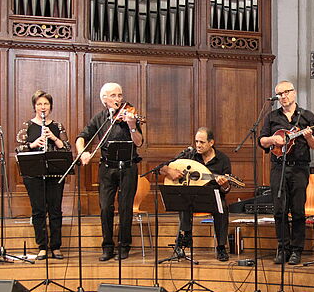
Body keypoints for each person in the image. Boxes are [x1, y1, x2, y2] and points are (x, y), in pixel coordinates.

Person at [75, 82, 144, 261]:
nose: (118, 99)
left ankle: (124, 245)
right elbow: (82, 137)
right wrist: (83, 153)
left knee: (125, 207)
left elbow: (138, 142)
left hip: (128, 166)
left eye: (119, 95)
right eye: (113, 96)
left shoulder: (130, 115)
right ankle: (107, 246)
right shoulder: (100, 119)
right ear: (104, 99)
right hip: (106, 167)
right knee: (105, 207)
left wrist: (132, 126)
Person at [258, 80, 314, 265]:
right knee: (279, 209)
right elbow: (262, 141)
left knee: (298, 209)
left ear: (294, 93)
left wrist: (309, 136)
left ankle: (296, 250)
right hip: (278, 166)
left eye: (286, 92)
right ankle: (282, 247)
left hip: (300, 167)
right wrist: (273, 139)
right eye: (279, 94)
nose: (283, 96)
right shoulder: (272, 117)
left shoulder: (307, 116)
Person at [161, 127, 232, 262]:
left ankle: (221, 247)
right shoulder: (190, 155)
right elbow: (162, 168)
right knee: (184, 199)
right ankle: (186, 235)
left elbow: (227, 190)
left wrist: (225, 185)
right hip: (192, 196)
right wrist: (170, 171)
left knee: (222, 207)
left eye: (202, 142)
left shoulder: (223, 159)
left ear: (211, 143)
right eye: (196, 141)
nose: (198, 145)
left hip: (211, 197)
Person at [15, 90, 71, 260]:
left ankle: (56, 247)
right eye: (39, 104)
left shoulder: (58, 126)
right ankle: (42, 247)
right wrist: (33, 144)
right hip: (34, 175)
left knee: (55, 211)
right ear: (34, 106)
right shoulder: (27, 126)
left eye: (46, 104)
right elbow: (19, 149)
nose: (43, 107)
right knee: (38, 211)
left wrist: (53, 137)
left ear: (50, 106)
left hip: (54, 175)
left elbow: (66, 148)